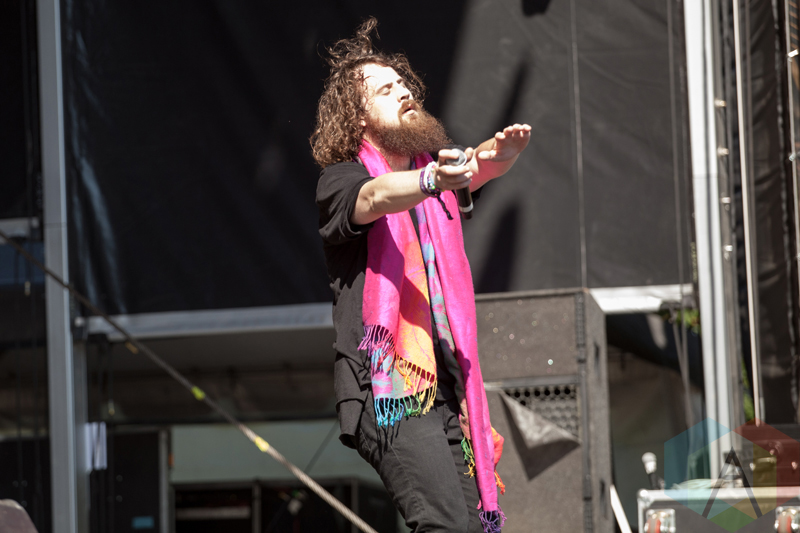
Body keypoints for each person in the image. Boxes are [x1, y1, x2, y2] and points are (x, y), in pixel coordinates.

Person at [312, 17, 531, 533]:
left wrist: (499, 156)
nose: (404, 92)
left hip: (444, 391)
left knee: (471, 527)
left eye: (403, 83)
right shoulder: (342, 180)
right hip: (387, 387)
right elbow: (375, 198)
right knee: (444, 525)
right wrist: (433, 178)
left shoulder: (431, 188)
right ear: (358, 118)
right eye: (385, 90)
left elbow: (469, 169)